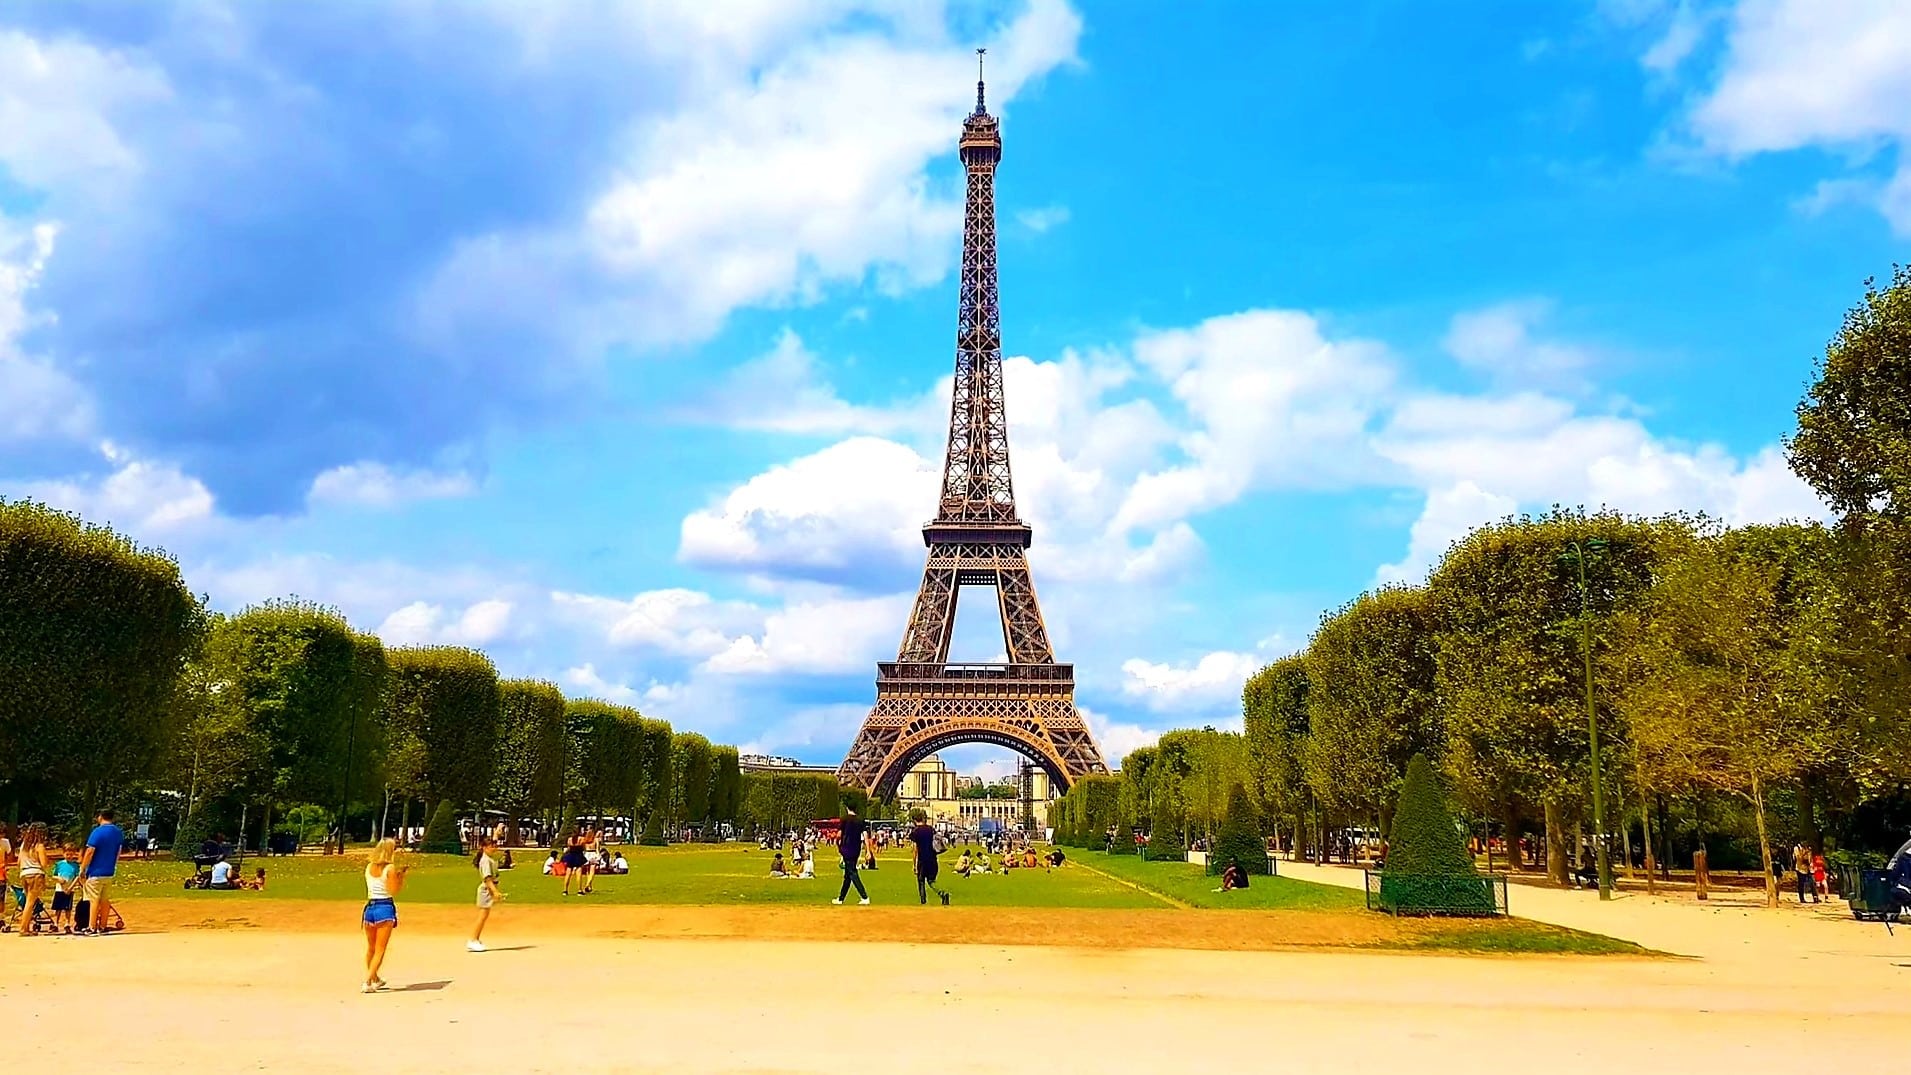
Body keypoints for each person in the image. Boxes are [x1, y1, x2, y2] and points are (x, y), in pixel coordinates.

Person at [362, 838, 409, 992]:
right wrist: (400, 877)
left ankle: (374, 977)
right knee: (380, 949)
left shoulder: (369, 867)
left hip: (370, 908)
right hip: (384, 907)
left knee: (371, 948)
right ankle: (368, 981)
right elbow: (393, 890)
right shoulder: (390, 868)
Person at [72, 809, 125, 934]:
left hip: (96, 871)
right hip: (109, 871)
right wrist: (113, 865)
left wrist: (83, 868)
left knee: (93, 899)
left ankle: (91, 926)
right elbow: (119, 851)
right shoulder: (118, 832)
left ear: (100, 817)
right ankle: (103, 925)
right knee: (105, 899)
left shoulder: (97, 831)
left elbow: (90, 851)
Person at [908, 810, 949, 906]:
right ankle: (942, 892)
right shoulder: (931, 829)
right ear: (923, 819)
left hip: (922, 860)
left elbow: (915, 849)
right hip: (932, 859)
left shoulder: (915, 832)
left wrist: (914, 864)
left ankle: (923, 901)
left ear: (914, 820)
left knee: (921, 881)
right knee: (931, 881)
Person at [470, 835, 503, 953]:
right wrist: (495, 891)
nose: (493, 848)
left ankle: (475, 939)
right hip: (486, 890)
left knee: (484, 916)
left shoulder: (488, 858)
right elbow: (487, 879)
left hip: (489, 889)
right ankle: (473, 939)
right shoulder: (485, 860)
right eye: (490, 846)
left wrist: (497, 832)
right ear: (484, 848)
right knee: (482, 916)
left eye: (494, 846)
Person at [15, 822, 48, 934]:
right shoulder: (39, 846)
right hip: (36, 873)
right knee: (30, 902)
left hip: (24, 873)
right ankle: (23, 928)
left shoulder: (24, 845)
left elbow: (18, 862)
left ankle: (26, 927)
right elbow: (43, 863)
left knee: (28, 902)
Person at [833, 807, 869, 906]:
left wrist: (838, 845)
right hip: (856, 849)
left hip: (847, 848)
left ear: (847, 808)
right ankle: (841, 898)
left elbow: (838, 835)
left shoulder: (845, 819)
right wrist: (868, 851)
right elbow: (866, 836)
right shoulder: (860, 820)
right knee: (848, 875)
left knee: (852, 873)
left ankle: (864, 896)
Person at [51, 846, 79, 934]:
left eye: (71, 854)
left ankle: (67, 924)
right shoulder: (59, 864)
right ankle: (55, 924)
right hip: (59, 889)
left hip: (69, 889)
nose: (69, 856)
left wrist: (71, 888)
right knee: (58, 907)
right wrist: (58, 879)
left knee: (68, 908)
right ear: (63, 854)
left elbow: (77, 877)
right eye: (67, 854)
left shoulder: (75, 865)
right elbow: (53, 875)